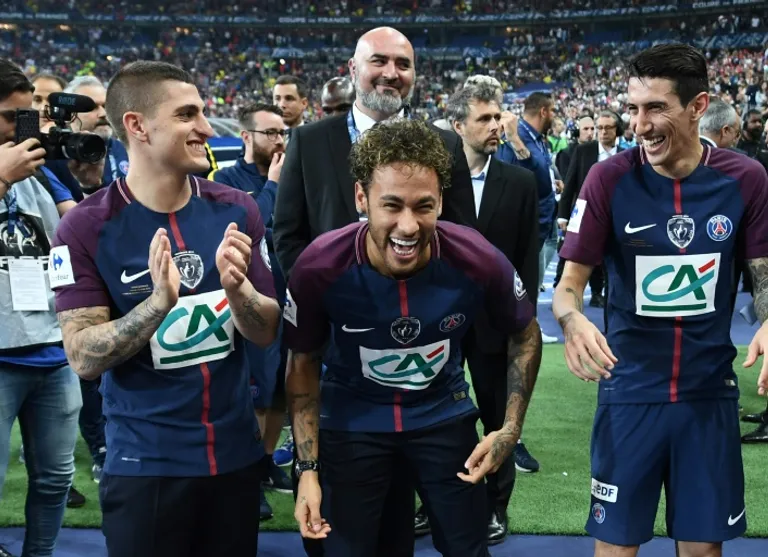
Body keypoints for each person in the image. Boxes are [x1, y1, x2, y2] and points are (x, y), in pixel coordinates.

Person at [51, 60, 281, 557]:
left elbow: (266, 330)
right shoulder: (84, 228)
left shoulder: (237, 208)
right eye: (186, 115)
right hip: (145, 467)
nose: (206, 128)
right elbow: (83, 357)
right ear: (137, 126)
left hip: (235, 458)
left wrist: (238, 291)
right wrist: (156, 305)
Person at [285, 119, 542, 557]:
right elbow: (302, 361)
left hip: (442, 414)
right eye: (392, 205)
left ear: (441, 200)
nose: (408, 226)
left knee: (469, 549)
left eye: (424, 206)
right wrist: (307, 469)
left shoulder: (477, 258)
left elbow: (525, 332)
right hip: (353, 421)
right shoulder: (318, 267)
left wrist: (510, 429)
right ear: (362, 198)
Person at [553, 43, 768, 557]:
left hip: (708, 393)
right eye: (633, 108)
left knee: (702, 550)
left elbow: (763, 277)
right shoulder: (608, 178)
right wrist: (571, 320)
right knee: (616, 548)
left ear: (698, 107)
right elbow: (567, 286)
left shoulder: (746, 179)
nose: (639, 125)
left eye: (655, 108)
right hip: (629, 392)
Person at [273, 26, 475, 557]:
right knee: (343, 529)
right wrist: (330, 302)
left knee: (417, 522)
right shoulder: (310, 141)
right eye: (379, 61)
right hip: (336, 361)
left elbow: (462, 242)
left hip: (422, 363)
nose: (391, 73)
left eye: (403, 64)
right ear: (353, 70)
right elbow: (288, 236)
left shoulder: (445, 145)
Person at [408, 81, 539, 546]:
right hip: (439, 324)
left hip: (496, 325)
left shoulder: (521, 183)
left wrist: (520, 319)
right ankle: (431, 503)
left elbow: (527, 258)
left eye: (498, 116)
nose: (496, 126)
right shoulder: (433, 183)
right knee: (435, 420)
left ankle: (495, 507)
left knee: (497, 417)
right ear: (457, 126)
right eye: (484, 118)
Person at [0, 58, 89, 557]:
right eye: (10, 117)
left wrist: (77, 175)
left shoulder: (41, 172)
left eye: (28, 116)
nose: (22, 129)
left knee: (56, 478)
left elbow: (80, 229)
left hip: (53, 350)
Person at [209, 102, 292, 519]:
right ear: (246, 136)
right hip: (251, 303)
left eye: (283, 133)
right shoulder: (225, 181)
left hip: (291, 294)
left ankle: (265, 461)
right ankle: (247, 474)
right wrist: (273, 185)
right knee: (253, 391)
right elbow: (245, 225)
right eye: (270, 132)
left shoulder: (294, 176)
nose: (279, 140)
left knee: (280, 388)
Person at [556, 110, 624, 308]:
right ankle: (582, 293)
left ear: (617, 130)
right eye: (599, 128)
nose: (602, 132)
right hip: (587, 213)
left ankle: (607, 294)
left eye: (607, 128)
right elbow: (570, 183)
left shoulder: (626, 154)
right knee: (581, 254)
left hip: (618, 216)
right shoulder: (584, 151)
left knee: (612, 258)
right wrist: (562, 216)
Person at [45, 76, 130, 201]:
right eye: (92, 107)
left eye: (105, 106)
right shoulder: (53, 157)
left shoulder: (127, 150)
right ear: (70, 114)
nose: (103, 114)